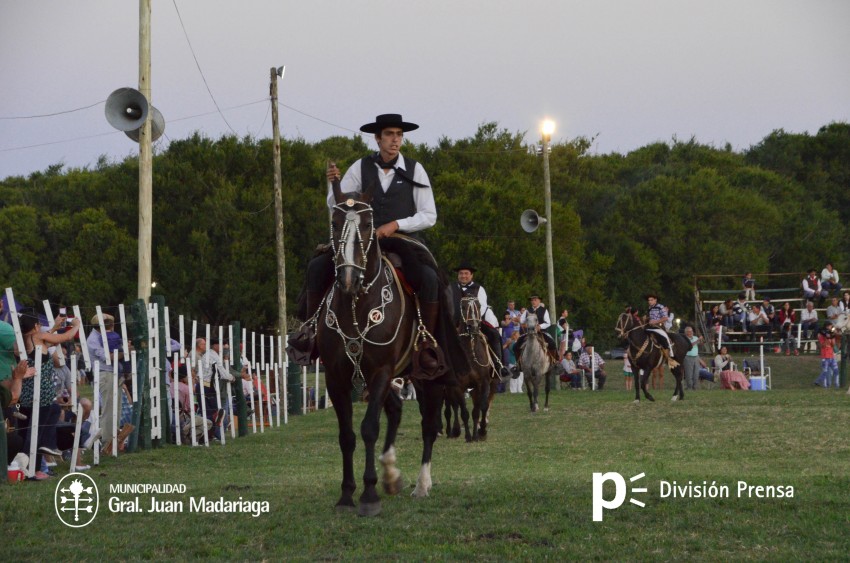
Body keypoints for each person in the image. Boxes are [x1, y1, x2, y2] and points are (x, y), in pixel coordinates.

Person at [297, 113, 450, 376]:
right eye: (389, 134)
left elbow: (429, 215)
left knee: (428, 278)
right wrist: (333, 185)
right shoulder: (360, 167)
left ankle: (426, 342)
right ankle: (311, 332)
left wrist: (396, 224)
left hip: (401, 239)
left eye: (399, 135)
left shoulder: (415, 169)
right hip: (361, 240)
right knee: (317, 267)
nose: (395, 140)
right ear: (378, 138)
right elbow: (339, 205)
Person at [450, 263, 510, 378]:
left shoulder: (478, 288)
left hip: (475, 323)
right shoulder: (450, 288)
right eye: (461, 273)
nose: (463, 276)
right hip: (454, 323)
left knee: (494, 335)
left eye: (466, 273)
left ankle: (498, 365)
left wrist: (470, 319)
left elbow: (482, 307)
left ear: (471, 275)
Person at [514, 295, 558, 367]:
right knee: (516, 345)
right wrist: (521, 320)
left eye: (535, 300)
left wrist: (540, 326)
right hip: (529, 333)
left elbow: (548, 322)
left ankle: (554, 361)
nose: (533, 302)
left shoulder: (544, 310)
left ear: (539, 301)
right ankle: (518, 363)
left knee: (552, 343)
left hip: (541, 332)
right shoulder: (527, 310)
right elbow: (522, 320)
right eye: (532, 300)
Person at [645, 293, 678, 367]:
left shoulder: (661, 307)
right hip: (650, 326)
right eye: (649, 300)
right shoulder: (649, 308)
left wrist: (655, 322)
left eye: (651, 300)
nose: (649, 301)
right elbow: (650, 317)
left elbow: (665, 318)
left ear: (655, 300)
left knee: (663, 338)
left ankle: (669, 357)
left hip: (658, 326)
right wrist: (647, 319)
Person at [813, 322, 839, 388]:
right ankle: (821, 383)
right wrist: (827, 338)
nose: (831, 328)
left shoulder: (831, 334)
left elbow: (833, 345)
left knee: (836, 371)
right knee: (825, 371)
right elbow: (822, 345)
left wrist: (832, 337)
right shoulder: (821, 335)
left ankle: (836, 385)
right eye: (830, 326)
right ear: (827, 326)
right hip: (825, 356)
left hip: (831, 356)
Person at [683, 326, 701, 391]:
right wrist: (698, 340)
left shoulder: (695, 337)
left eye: (691, 331)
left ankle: (695, 387)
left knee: (696, 373)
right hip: (688, 357)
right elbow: (690, 346)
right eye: (689, 331)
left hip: (696, 357)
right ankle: (689, 388)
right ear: (686, 332)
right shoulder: (684, 339)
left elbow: (700, 344)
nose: (691, 332)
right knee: (689, 374)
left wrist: (701, 340)